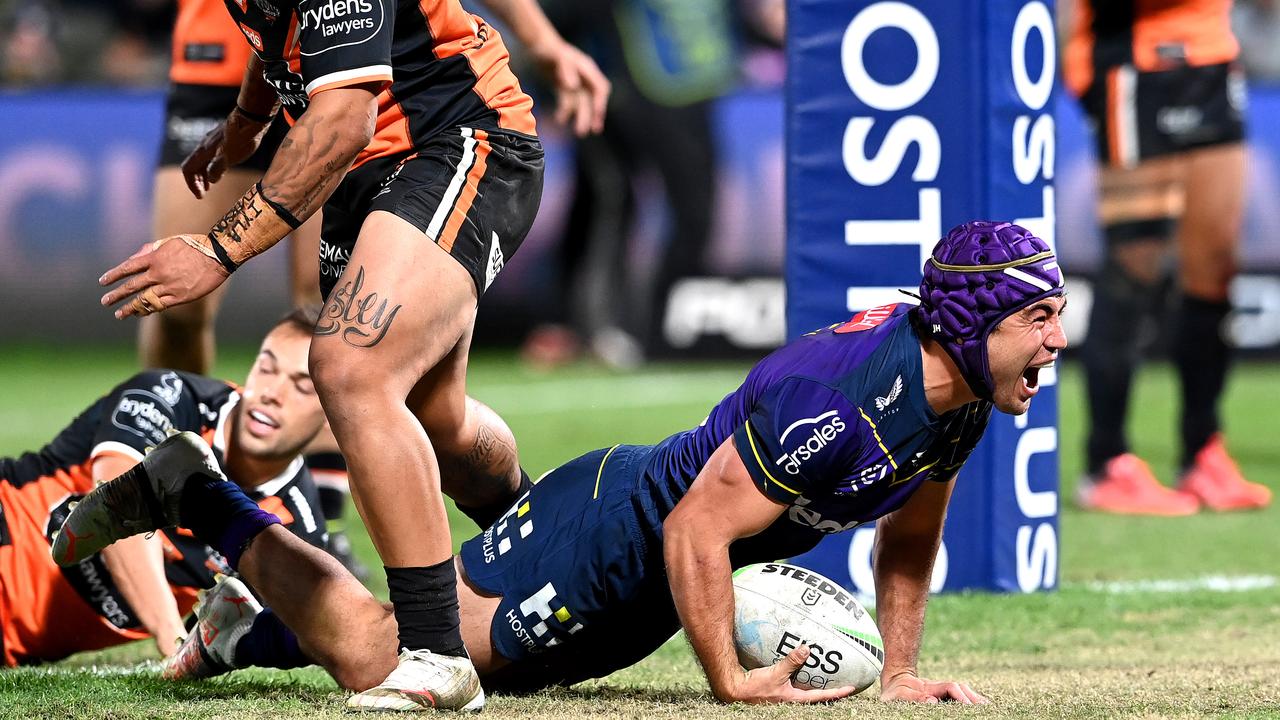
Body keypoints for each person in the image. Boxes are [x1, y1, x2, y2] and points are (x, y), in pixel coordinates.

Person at [65, 222, 1063, 705]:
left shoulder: (959, 404)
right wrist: (729, 683)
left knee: (483, 670)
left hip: (643, 579)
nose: (1054, 342)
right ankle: (199, 492)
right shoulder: (836, 399)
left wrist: (898, 673)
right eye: (1037, 319)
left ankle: (248, 633)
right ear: (973, 322)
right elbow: (694, 529)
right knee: (388, 657)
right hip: (615, 532)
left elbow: (910, 535)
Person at [93, 0, 610, 710]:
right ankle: (550, 542)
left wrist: (217, 252)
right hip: (371, 170)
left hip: (458, 138)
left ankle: (436, 654)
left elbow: (343, 118)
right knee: (434, 418)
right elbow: (278, 33)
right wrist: (246, 121)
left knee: (348, 366)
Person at [150, 0, 369, 579]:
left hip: (332, 61)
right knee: (176, 300)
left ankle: (322, 523)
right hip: (218, 63)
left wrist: (538, 37)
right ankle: (176, 494)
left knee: (328, 305)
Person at [1, 308, 328, 666]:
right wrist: (174, 639)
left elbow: (300, 631)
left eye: (302, 386)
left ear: (331, 409)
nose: (272, 393)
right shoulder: (170, 397)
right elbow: (118, 502)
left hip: (15, 645)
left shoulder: (298, 523)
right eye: (266, 368)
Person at [1064, 0, 1272, 514]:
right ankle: (1105, 462)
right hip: (1135, 61)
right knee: (1137, 266)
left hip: (1214, 61)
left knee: (1216, 265)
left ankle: (1202, 451)